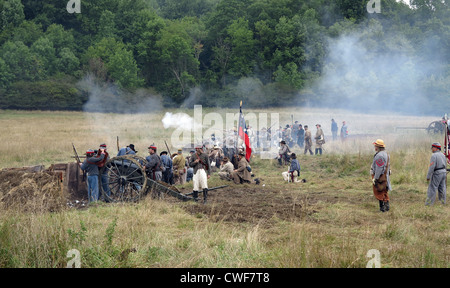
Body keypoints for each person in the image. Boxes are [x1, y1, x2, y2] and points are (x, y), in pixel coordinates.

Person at [371, 139, 391, 212]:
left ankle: (382, 208)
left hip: (380, 177)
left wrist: (375, 178)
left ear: (378, 147)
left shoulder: (379, 155)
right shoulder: (386, 154)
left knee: (379, 191)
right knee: (384, 191)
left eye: (375, 146)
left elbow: (379, 168)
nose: (374, 147)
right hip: (385, 176)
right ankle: (386, 206)